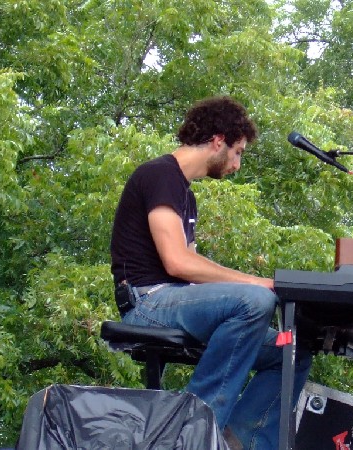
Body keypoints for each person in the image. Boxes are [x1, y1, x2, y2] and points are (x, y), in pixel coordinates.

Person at [110, 96, 311, 449]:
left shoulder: (186, 196)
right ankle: (193, 433)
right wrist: (262, 283)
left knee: (293, 351)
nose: (237, 164)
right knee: (255, 301)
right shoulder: (159, 174)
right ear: (218, 140)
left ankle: (236, 441)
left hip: (175, 300)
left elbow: (193, 271)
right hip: (148, 303)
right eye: (238, 152)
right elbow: (177, 262)